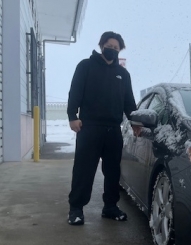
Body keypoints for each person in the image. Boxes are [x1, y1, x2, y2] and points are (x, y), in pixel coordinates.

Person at [66, 31, 141, 225]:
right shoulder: (85, 66)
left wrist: (135, 122)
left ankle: (110, 207)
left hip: (113, 129)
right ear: (101, 46)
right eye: (110, 46)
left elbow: (129, 102)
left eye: (116, 48)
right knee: (84, 169)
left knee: (113, 171)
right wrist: (72, 116)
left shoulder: (123, 74)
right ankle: (76, 209)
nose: (112, 50)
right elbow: (75, 92)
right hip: (89, 127)